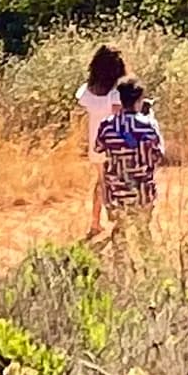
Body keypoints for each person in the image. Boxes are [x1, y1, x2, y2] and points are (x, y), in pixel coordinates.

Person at [95, 74, 166, 236]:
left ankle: (120, 252)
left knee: (120, 230)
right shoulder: (148, 125)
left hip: (116, 190)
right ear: (139, 100)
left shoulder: (107, 125)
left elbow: (98, 147)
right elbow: (159, 154)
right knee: (143, 230)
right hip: (142, 190)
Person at [74, 44, 127, 236]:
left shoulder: (88, 90)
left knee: (101, 182)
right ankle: (117, 220)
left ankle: (95, 223)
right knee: (117, 183)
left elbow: (81, 109)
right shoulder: (116, 93)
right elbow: (118, 118)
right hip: (114, 144)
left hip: (95, 143)